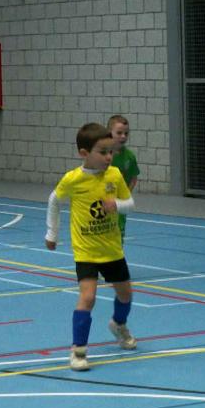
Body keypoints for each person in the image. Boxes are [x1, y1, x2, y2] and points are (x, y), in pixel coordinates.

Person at [45, 123, 138, 371]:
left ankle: (118, 324)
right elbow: (54, 201)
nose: (108, 157)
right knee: (88, 297)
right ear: (84, 153)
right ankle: (78, 351)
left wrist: (117, 204)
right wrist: (52, 233)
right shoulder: (73, 179)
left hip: (112, 250)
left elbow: (130, 202)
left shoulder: (114, 176)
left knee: (126, 294)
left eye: (110, 152)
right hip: (86, 251)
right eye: (102, 152)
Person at [107, 114, 140, 241]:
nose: (123, 136)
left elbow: (133, 178)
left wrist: (125, 195)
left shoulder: (129, 157)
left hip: (119, 203)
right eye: (119, 133)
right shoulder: (103, 154)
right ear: (109, 133)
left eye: (126, 133)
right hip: (104, 202)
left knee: (119, 234)